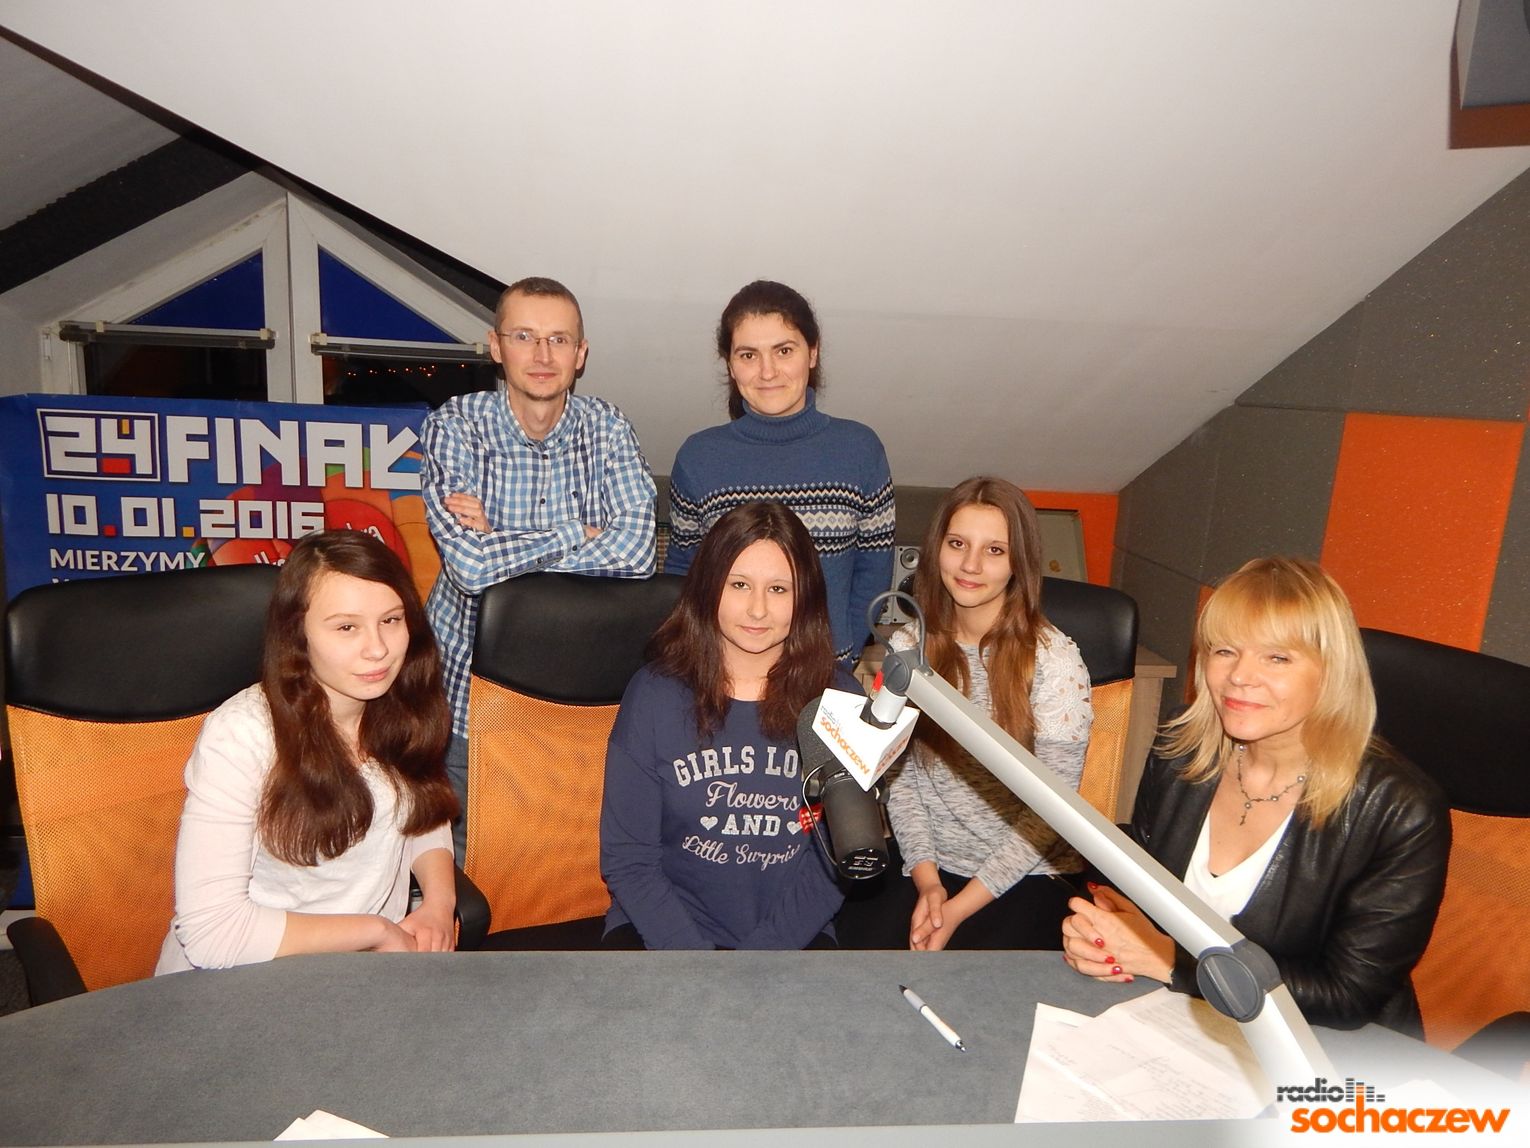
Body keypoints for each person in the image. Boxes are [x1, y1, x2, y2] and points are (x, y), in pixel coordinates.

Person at [1061, 556, 1450, 1033]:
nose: (1240, 676)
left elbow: (1347, 996)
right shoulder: (1180, 751)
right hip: (1187, 1021)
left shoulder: (1401, 810)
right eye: (1224, 650)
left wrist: (1167, 961)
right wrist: (1105, 932)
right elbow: (1143, 887)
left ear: (1331, 672)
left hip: (1325, 1049)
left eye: (1277, 657)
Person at [421, 277, 656, 853]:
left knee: (555, 868)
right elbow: (469, 567)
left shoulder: (608, 429)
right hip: (464, 709)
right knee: (462, 868)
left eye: (559, 340)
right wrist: (577, 532)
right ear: (495, 346)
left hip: (575, 701)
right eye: (524, 336)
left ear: (581, 354)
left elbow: (638, 553)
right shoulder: (456, 426)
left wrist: (501, 541)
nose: (543, 355)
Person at [157, 530, 459, 973]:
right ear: (298, 633)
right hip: (244, 976)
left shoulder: (401, 705)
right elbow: (213, 935)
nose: (377, 649)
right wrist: (377, 932)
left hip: (365, 972)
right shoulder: (243, 734)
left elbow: (422, 814)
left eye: (391, 620)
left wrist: (438, 903)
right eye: (346, 627)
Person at [600, 501, 854, 949]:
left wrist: (758, 961)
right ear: (709, 586)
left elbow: (834, 864)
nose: (757, 609)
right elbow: (629, 860)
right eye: (739, 585)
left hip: (791, 936)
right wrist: (698, 965)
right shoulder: (653, 694)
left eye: (779, 589)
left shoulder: (841, 702)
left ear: (806, 598)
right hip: (661, 931)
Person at [877, 477, 1092, 950]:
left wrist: (957, 909)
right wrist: (928, 883)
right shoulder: (908, 647)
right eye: (957, 544)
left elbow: (1050, 815)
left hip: (1026, 874)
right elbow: (902, 782)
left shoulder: (1055, 662)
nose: (970, 565)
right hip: (929, 867)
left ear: (1019, 563)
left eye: (995, 550)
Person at [665, 280, 893, 667]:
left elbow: (873, 574)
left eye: (784, 351)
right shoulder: (698, 457)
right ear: (730, 364)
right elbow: (682, 575)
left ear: (813, 352)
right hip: (721, 675)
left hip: (824, 676)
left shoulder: (860, 450)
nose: (767, 371)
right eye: (748, 355)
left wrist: (843, 657)